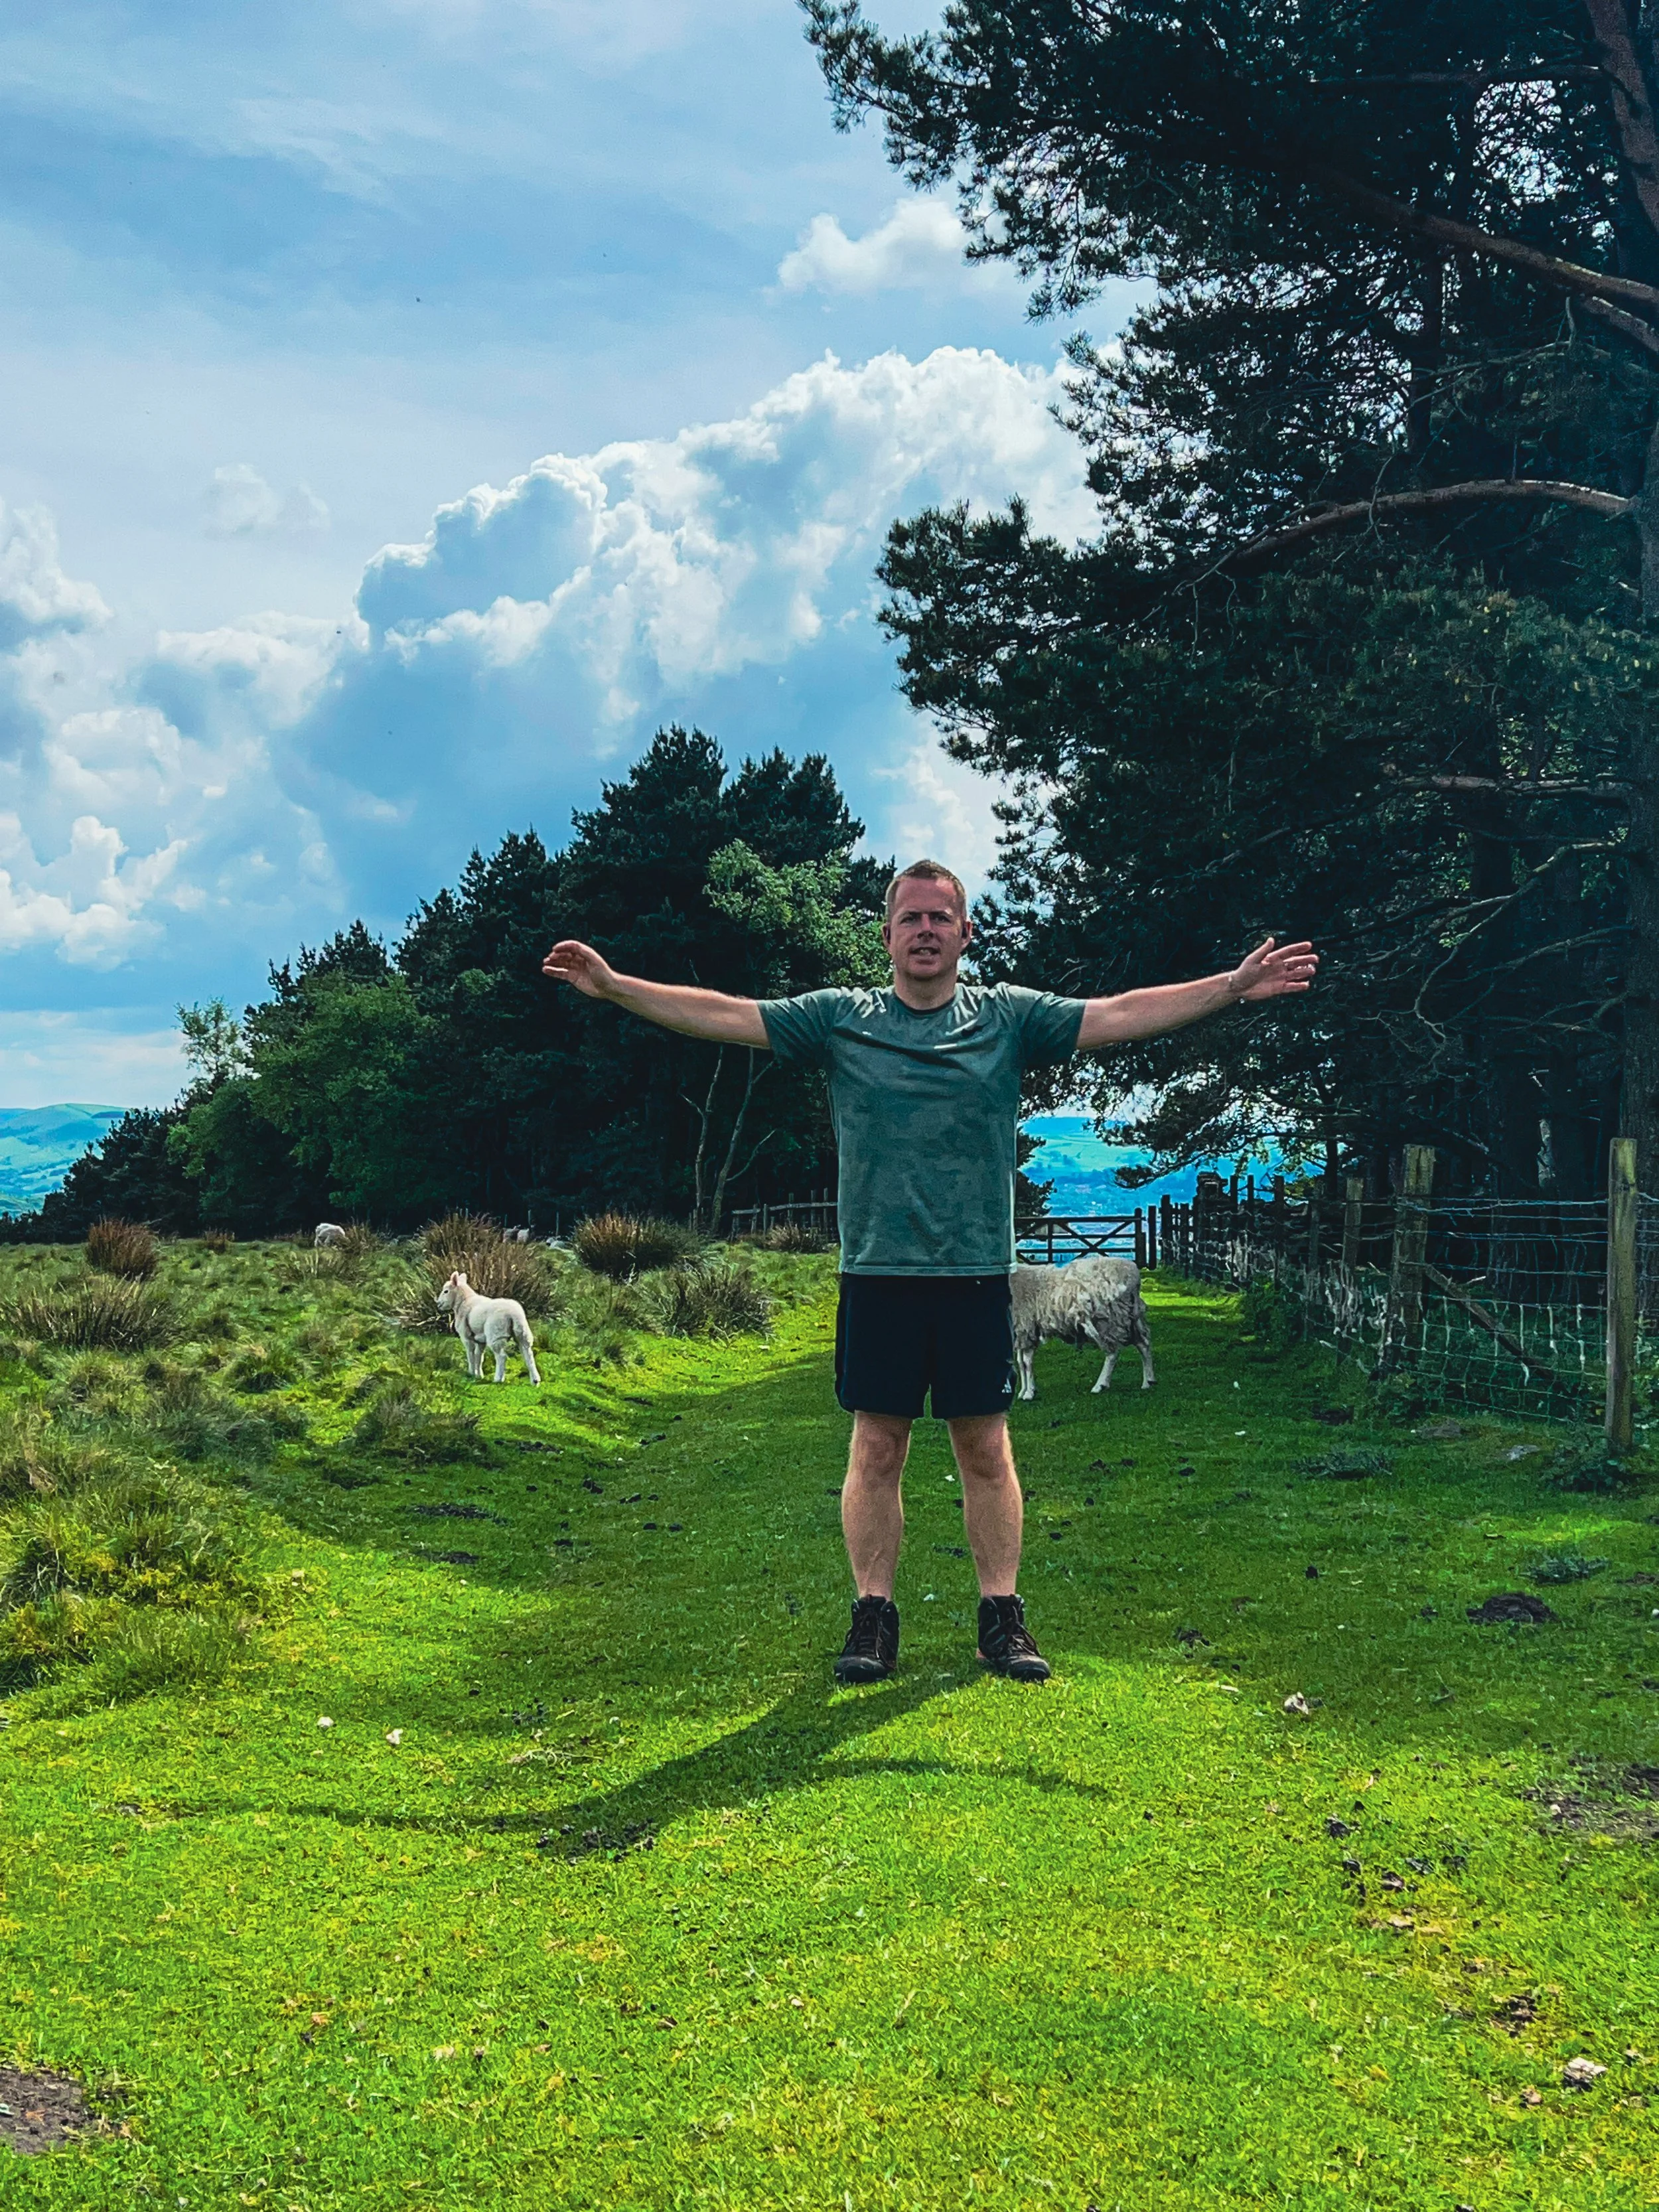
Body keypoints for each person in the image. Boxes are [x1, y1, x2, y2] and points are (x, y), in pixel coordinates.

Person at [543, 858, 1317, 1686]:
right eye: (910, 919)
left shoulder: (1009, 1018)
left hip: (979, 1275)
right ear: (886, 935)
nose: (924, 931)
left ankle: (1002, 1618)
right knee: (877, 1446)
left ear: (963, 934)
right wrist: (619, 986)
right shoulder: (842, 1019)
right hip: (878, 1274)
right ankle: (873, 1616)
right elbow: (729, 1015)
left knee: (986, 1447)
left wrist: (1229, 987)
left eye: (939, 919)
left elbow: (1119, 1013)